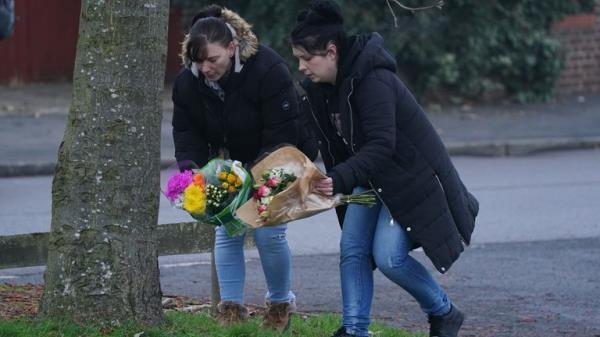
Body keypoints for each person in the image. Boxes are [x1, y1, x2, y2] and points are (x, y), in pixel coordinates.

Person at [290, 1, 479, 337]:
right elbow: (314, 141)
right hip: (369, 181)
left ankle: (444, 312)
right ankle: (354, 330)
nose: (302, 67)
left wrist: (339, 178)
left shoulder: (372, 79)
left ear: (331, 51)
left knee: (389, 257)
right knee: (352, 250)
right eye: (298, 59)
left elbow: (381, 145)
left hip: (407, 179)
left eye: (307, 58)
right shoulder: (319, 91)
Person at [172, 4, 317, 332]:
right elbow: (186, 132)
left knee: (268, 231)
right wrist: (194, 172)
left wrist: (248, 180)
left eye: (213, 60)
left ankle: (280, 303)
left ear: (232, 48)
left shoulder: (268, 69)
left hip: (282, 153)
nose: (205, 68)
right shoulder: (187, 83)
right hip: (231, 161)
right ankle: (231, 308)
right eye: (198, 61)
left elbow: (282, 133)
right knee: (227, 228)